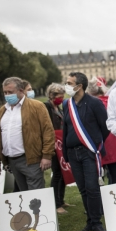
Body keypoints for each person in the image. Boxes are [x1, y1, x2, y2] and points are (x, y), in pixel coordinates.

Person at [62, 72, 109, 231]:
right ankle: (89, 220)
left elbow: (105, 127)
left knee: (92, 187)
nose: (66, 86)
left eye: (69, 83)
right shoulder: (67, 104)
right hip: (73, 153)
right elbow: (66, 128)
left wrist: (95, 143)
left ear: (79, 86)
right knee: (82, 188)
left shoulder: (94, 103)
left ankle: (96, 222)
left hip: (89, 152)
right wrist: (66, 153)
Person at [0, 77, 54, 190]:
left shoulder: (37, 106)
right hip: (12, 161)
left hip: (31, 159)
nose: (7, 95)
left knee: (37, 196)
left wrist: (47, 155)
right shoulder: (3, 110)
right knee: (23, 195)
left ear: (21, 90)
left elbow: (48, 131)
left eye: (10, 92)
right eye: (5, 92)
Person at [86, 77, 116, 184]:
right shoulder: (110, 101)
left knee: (98, 175)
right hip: (113, 142)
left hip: (98, 143)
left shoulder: (90, 105)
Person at [44, 83, 72, 214]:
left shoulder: (59, 108)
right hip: (52, 145)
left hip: (60, 144)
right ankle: (55, 204)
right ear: (51, 95)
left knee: (62, 173)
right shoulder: (46, 108)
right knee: (57, 174)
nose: (61, 98)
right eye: (58, 96)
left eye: (62, 96)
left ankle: (61, 200)